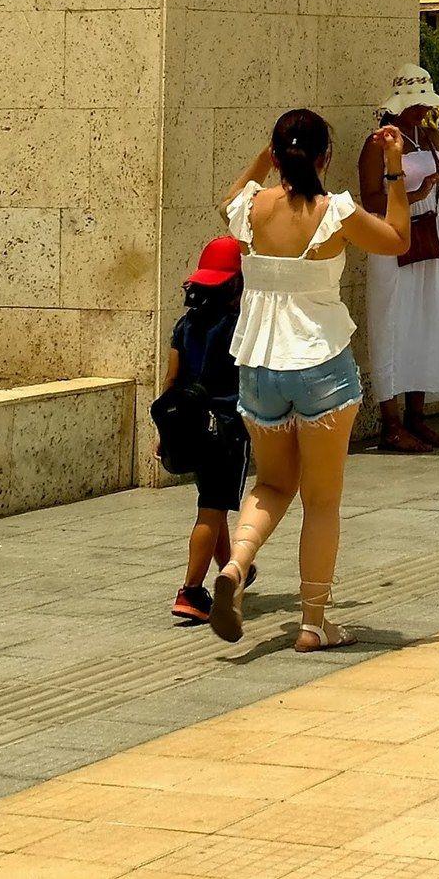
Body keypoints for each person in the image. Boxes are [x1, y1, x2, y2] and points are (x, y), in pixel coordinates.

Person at [209, 107, 410, 652]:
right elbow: (398, 238)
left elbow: (229, 197)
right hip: (321, 364)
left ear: (278, 157)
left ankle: (235, 565)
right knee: (321, 501)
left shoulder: (250, 209)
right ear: (325, 157)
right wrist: (393, 167)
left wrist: (264, 157)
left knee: (272, 485)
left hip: (259, 366)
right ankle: (314, 623)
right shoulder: (335, 212)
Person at [363, 67, 439, 451]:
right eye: (418, 104)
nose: (424, 110)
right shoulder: (378, 143)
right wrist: (418, 193)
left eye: (427, 103)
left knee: (426, 319)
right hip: (394, 235)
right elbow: (371, 200)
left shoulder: (431, 135)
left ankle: (416, 417)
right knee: (392, 321)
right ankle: (390, 423)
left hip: (433, 233)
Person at [153, 237, 254, 626]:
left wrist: (165, 431)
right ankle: (191, 592)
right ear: (237, 283)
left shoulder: (185, 325)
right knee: (211, 509)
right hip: (224, 429)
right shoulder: (240, 325)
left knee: (213, 503)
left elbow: (171, 380)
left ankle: (234, 568)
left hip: (189, 424)